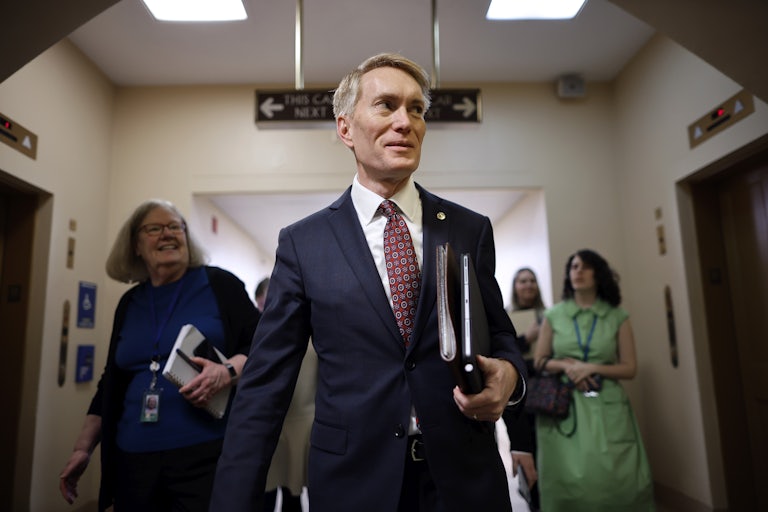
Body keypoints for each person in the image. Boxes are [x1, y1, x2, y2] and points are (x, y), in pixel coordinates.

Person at [209, 53, 526, 512]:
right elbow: (265, 385)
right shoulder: (304, 244)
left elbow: (501, 335)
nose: (405, 122)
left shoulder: (467, 230)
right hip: (354, 482)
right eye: (386, 105)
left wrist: (510, 375)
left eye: (416, 109)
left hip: (463, 480)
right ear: (345, 129)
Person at [58, 199, 260, 512]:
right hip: (132, 458)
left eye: (175, 227)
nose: (167, 234)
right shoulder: (130, 302)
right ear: (135, 245)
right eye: (154, 228)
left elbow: (262, 346)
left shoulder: (220, 285)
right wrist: (82, 449)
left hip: (208, 454)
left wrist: (227, 372)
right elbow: (111, 382)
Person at [533, 249, 655, 511]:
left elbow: (630, 368)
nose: (578, 271)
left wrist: (591, 368)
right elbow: (539, 361)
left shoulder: (617, 317)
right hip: (564, 406)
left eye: (586, 267)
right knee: (568, 481)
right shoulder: (554, 316)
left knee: (616, 479)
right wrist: (567, 366)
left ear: (599, 275)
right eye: (574, 266)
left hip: (607, 404)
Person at [256, 276, 308, 512]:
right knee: (265, 492)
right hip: (270, 427)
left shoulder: (310, 329)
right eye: (264, 305)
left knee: (294, 493)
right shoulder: (257, 334)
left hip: (305, 425)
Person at [503, 267, 546, 510]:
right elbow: (503, 355)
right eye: (522, 281)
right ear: (515, 286)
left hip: (548, 391)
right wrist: (526, 339)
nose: (528, 285)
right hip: (520, 394)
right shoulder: (505, 317)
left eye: (532, 280)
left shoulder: (548, 316)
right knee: (526, 447)